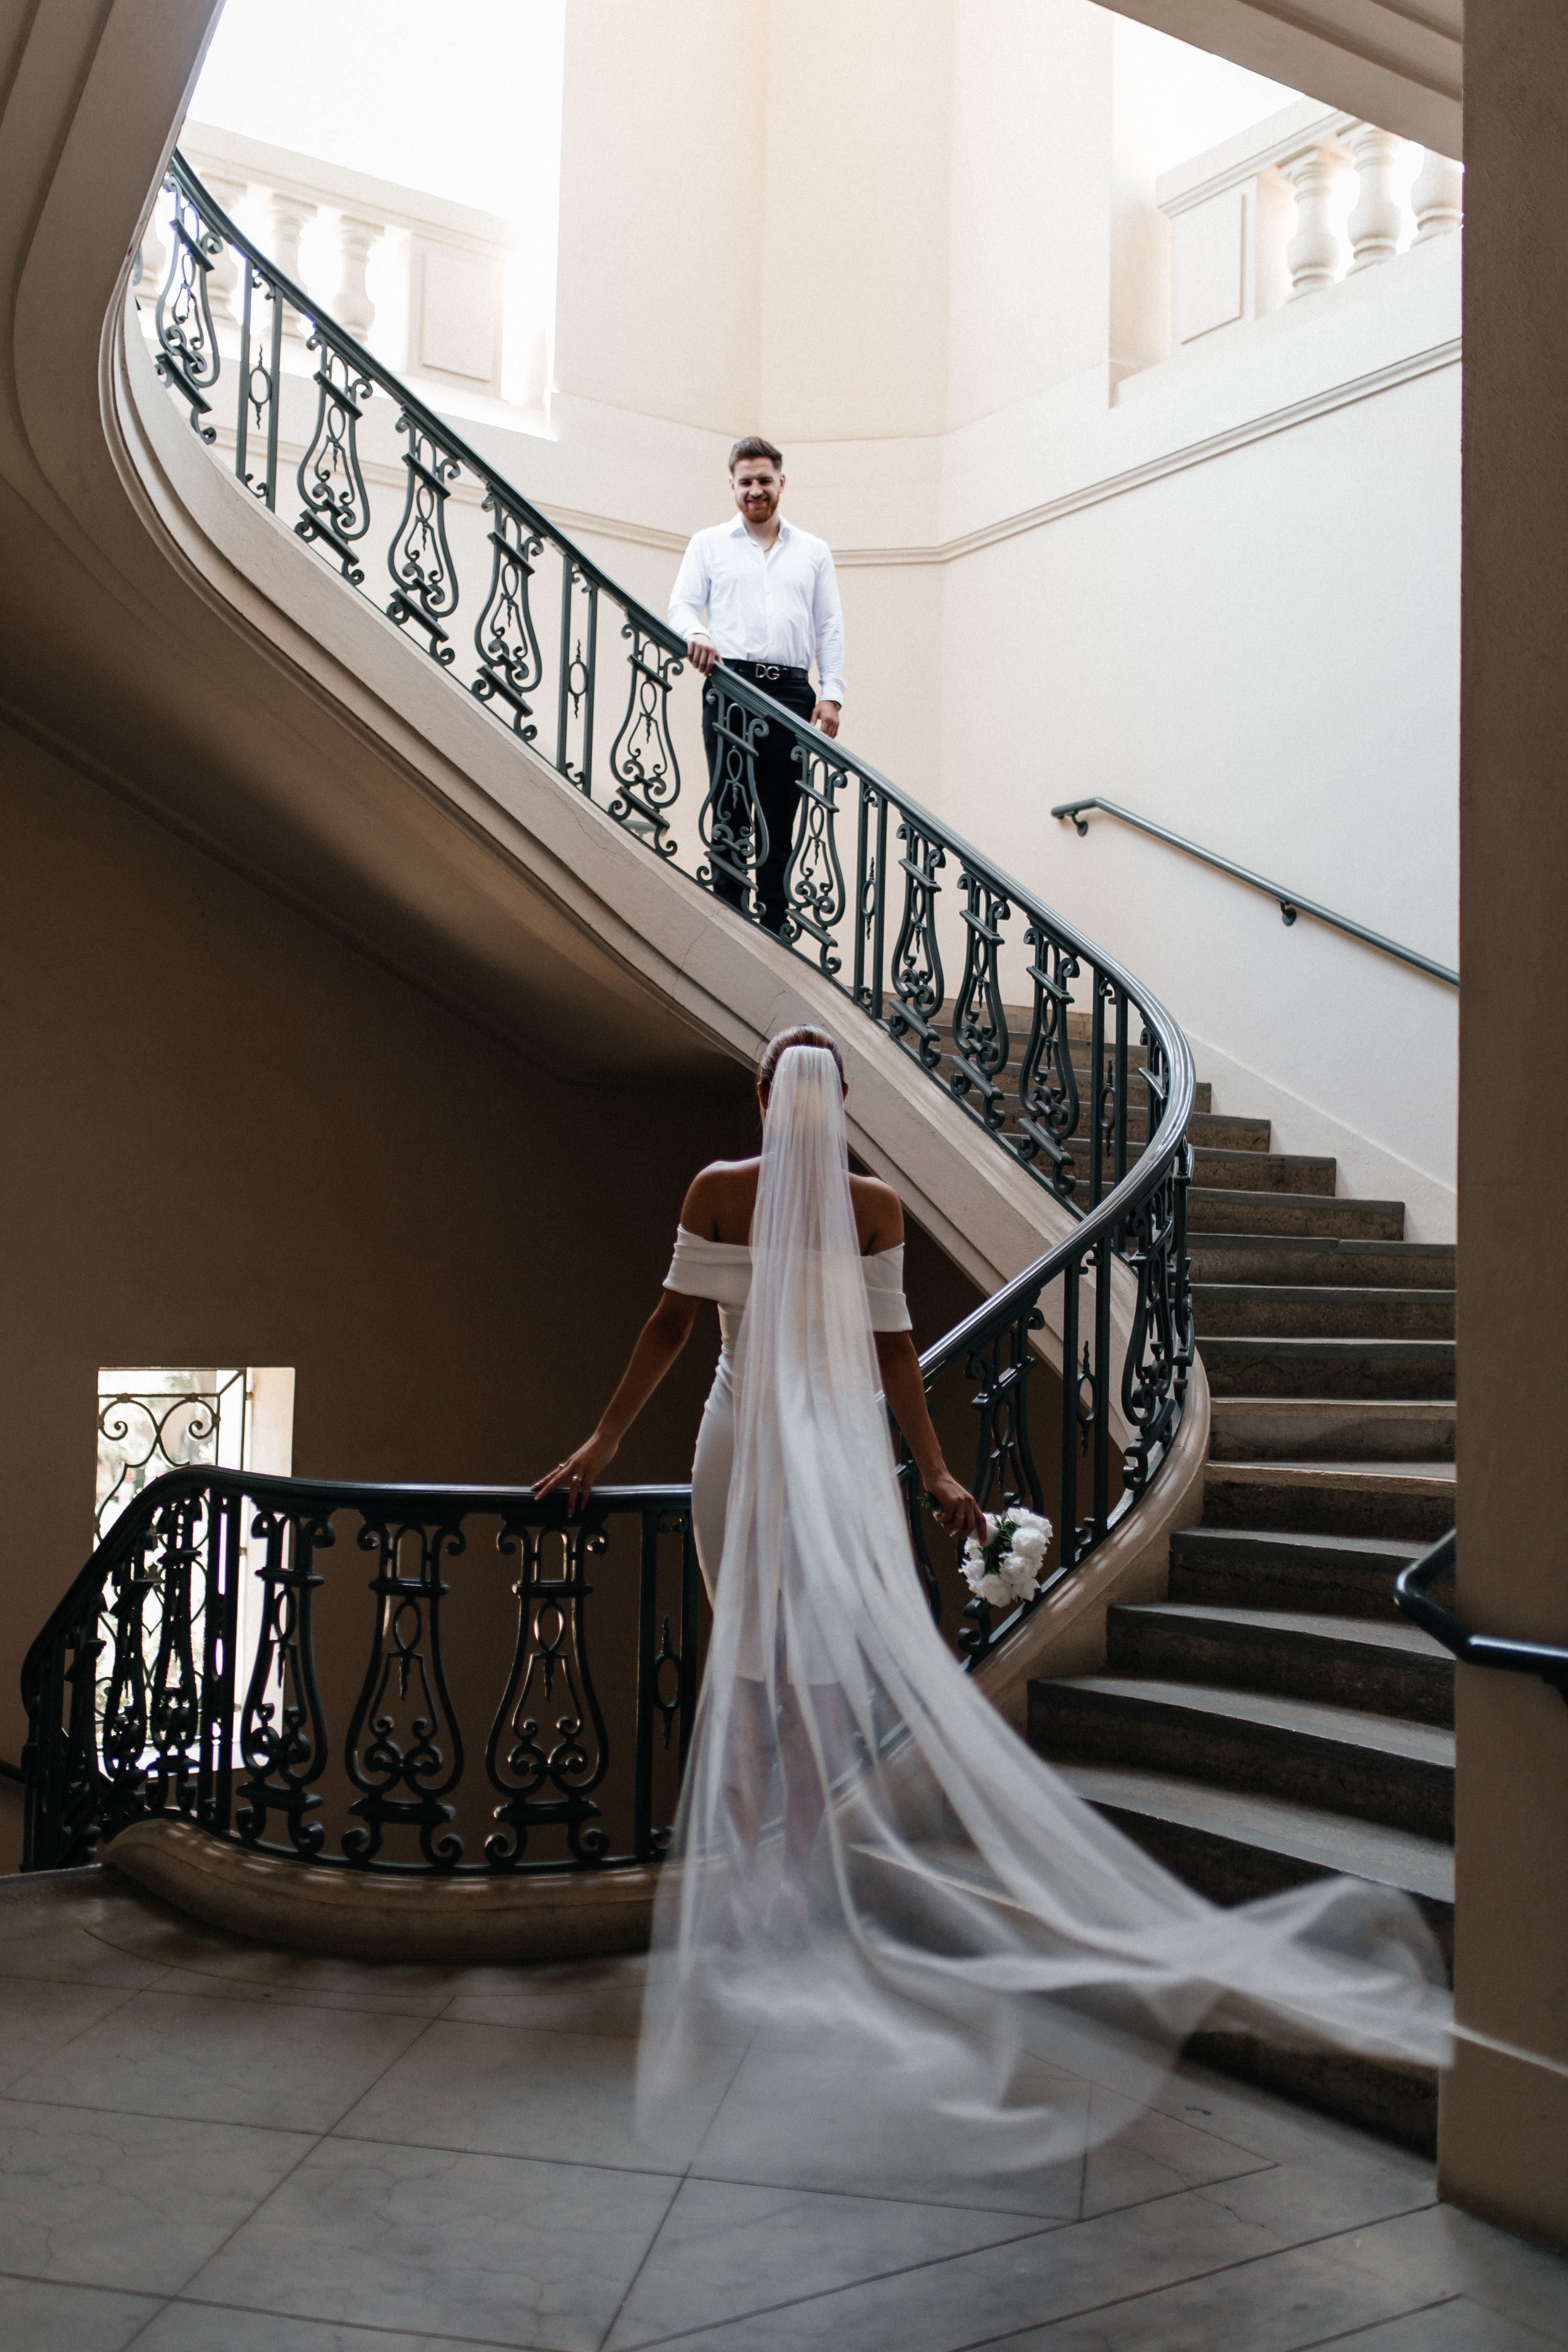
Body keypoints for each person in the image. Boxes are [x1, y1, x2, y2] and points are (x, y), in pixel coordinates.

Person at [536, 1026, 1449, 2189]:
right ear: (844, 1101)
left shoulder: (720, 1188)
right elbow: (895, 1357)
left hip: (741, 1442)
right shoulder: (874, 1208)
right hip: (844, 1446)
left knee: (751, 1655)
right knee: (822, 1664)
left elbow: (671, 1328)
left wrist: (602, 1442)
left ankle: (760, 1889)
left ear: (766, 1098)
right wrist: (934, 1470)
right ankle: (805, 1884)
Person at [667, 439, 846, 937]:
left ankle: (774, 925)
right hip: (731, 686)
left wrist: (831, 695)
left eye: (765, 480)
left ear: (781, 483)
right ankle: (729, 921)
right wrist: (697, 633)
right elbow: (680, 606)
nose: (756, 490)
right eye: (746, 482)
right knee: (730, 804)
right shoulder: (708, 544)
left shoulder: (813, 551)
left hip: (791, 692)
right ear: (732, 486)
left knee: (781, 809)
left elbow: (828, 627)